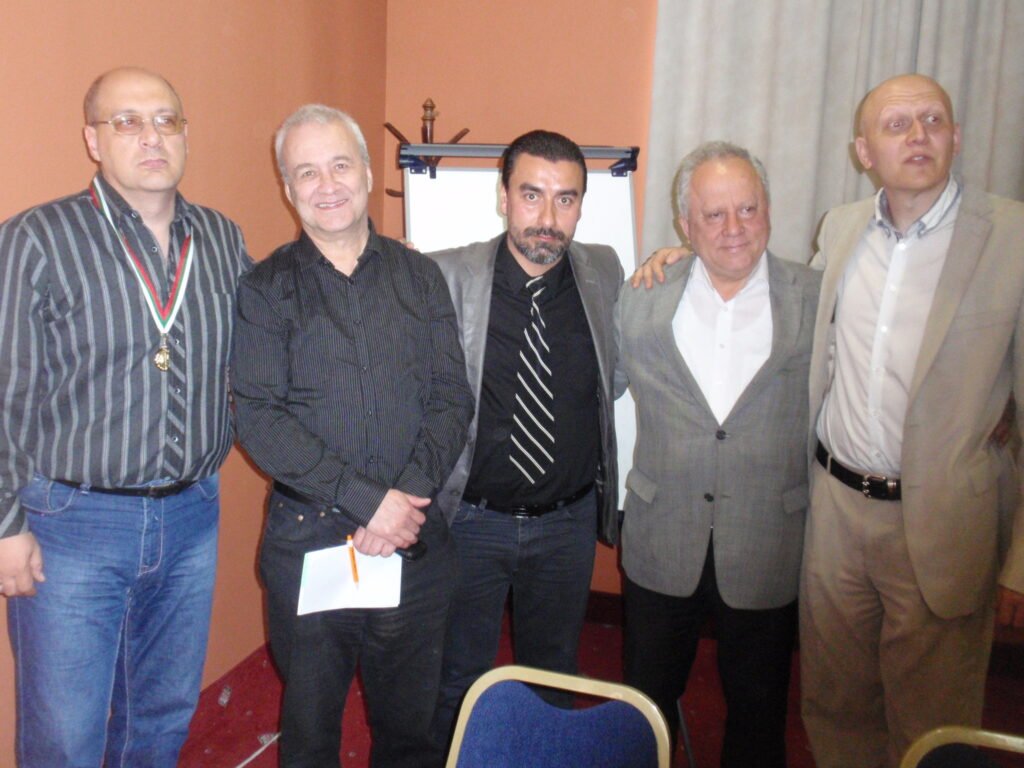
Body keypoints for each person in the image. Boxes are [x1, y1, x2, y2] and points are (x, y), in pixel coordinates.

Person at [0, 67, 251, 766]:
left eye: (166, 120)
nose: (151, 137)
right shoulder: (37, 238)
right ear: (93, 139)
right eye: (127, 121)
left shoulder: (221, 239)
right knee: (65, 735)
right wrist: (4, 524)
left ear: (185, 135)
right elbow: (4, 387)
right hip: (72, 525)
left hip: (193, 517)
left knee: (161, 718)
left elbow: (276, 347)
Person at [230, 104, 473, 767]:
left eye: (340, 165)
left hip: (414, 539)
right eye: (307, 172)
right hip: (309, 543)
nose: (327, 184)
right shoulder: (265, 288)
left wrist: (402, 501)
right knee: (310, 735)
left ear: (366, 173)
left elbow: (452, 396)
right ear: (287, 188)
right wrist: (369, 502)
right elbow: (259, 417)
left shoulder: (420, 277)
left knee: (409, 731)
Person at [800, 73, 1024, 768]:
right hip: (836, 512)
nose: (918, 135)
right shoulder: (840, 229)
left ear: (956, 137)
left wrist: (1020, 563)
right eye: (896, 124)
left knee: (934, 723)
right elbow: (790, 315)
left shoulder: (1013, 237)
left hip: (944, 522)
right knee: (835, 702)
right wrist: (688, 261)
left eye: (932, 120)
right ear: (864, 151)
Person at [615, 142, 818, 767]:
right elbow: (597, 386)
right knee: (645, 709)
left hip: (767, 537)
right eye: (713, 214)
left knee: (760, 713)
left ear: (768, 210)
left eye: (747, 209)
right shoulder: (641, 295)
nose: (734, 228)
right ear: (685, 224)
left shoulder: (818, 297)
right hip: (662, 535)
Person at [429, 130, 624, 746]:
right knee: (457, 677)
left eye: (566, 199)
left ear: (582, 205)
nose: (547, 217)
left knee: (553, 674)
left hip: (567, 524)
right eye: (532, 195)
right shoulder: (445, 275)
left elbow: (616, 375)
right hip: (472, 522)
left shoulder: (606, 270)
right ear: (503, 197)